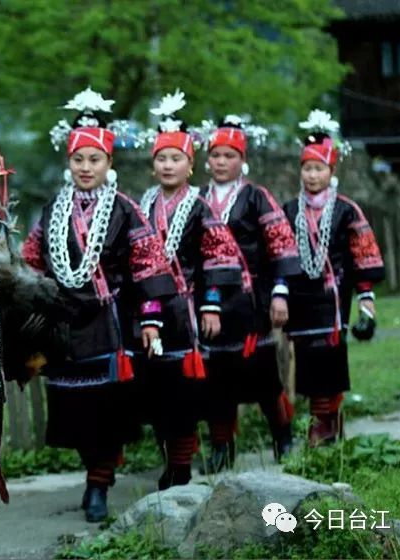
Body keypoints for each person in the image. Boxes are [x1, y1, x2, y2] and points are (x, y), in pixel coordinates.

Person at [21, 88, 176, 522]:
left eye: (94, 159)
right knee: (76, 410)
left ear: (109, 162)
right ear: (68, 162)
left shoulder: (125, 210)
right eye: (78, 159)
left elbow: (148, 265)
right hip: (63, 325)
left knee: (106, 409)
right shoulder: (53, 210)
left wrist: (151, 320)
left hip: (109, 323)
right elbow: (32, 261)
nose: (85, 167)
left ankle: (98, 484)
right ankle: (95, 469)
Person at [135, 90, 242, 489]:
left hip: (187, 311)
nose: (168, 165)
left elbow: (220, 256)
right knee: (156, 390)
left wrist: (211, 304)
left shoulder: (200, 206)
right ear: (152, 165)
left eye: (175, 158)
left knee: (183, 392)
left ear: (191, 164)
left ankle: (181, 465)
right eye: (161, 158)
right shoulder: (142, 207)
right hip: (148, 311)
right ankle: (170, 457)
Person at [198, 116, 302, 473]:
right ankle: (222, 448)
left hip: (251, 299)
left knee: (263, 376)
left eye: (229, 155)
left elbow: (281, 246)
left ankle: (283, 438)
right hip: (210, 301)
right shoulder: (197, 199)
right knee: (216, 378)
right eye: (215, 155)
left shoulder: (257, 197)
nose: (221, 162)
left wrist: (280, 293)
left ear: (242, 159)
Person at [283, 110, 384, 446]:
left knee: (331, 362)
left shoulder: (346, 210)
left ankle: (326, 425)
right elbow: (279, 254)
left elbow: (363, 257)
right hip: (300, 302)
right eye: (307, 168)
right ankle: (321, 421)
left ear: (331, 171)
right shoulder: (289, 211)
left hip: (333, 300)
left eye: (319, 168)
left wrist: (366, 303)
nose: (312, 175)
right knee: (307, 364)